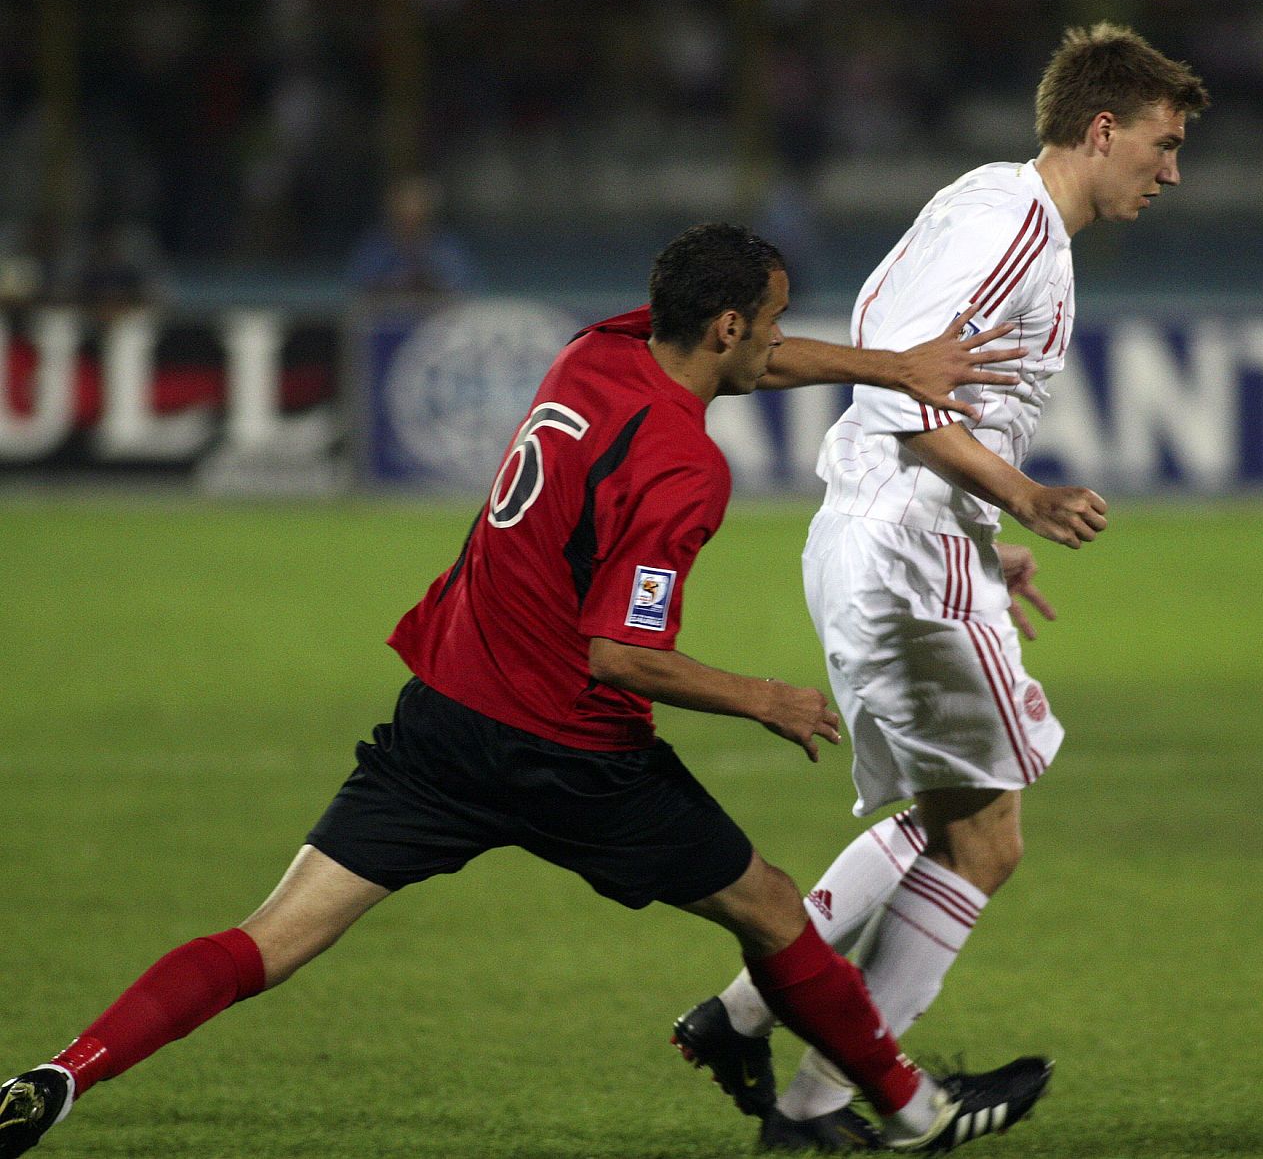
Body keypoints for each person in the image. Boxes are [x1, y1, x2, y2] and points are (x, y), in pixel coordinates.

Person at [0, 223, 1053, 1158]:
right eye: (772, 322)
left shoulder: (594, 349)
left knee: (267, 938)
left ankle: (64, 1071)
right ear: (729, 324)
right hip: (575, 756)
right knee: (773, 909)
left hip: (443, 723)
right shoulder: (685, 467)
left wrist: (892, 365)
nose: (781, 341)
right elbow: (620, 653)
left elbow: (754, 361)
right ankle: (911, 1110)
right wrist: (761, 697)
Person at [671, 22, 1208, 1152]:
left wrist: (981, 533)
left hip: (893, 537)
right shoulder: (1016, 223)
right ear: (1101, 128)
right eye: (1160, 143)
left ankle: (745, 1021)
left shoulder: (999, 207)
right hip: (901, 545)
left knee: (946, 815)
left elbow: (897, 366)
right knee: (985, 837)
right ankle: (822, 1106)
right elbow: (897, 376)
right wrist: (1018, 495)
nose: (1171, 170)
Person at [347, 176, 477, 298]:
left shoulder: (447, 248)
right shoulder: (375, 247)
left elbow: (463, 290)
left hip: (437, 317)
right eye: (403, 212)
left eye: (417, 213)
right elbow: (357, 290)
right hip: (385, 316)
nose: (410, 219)